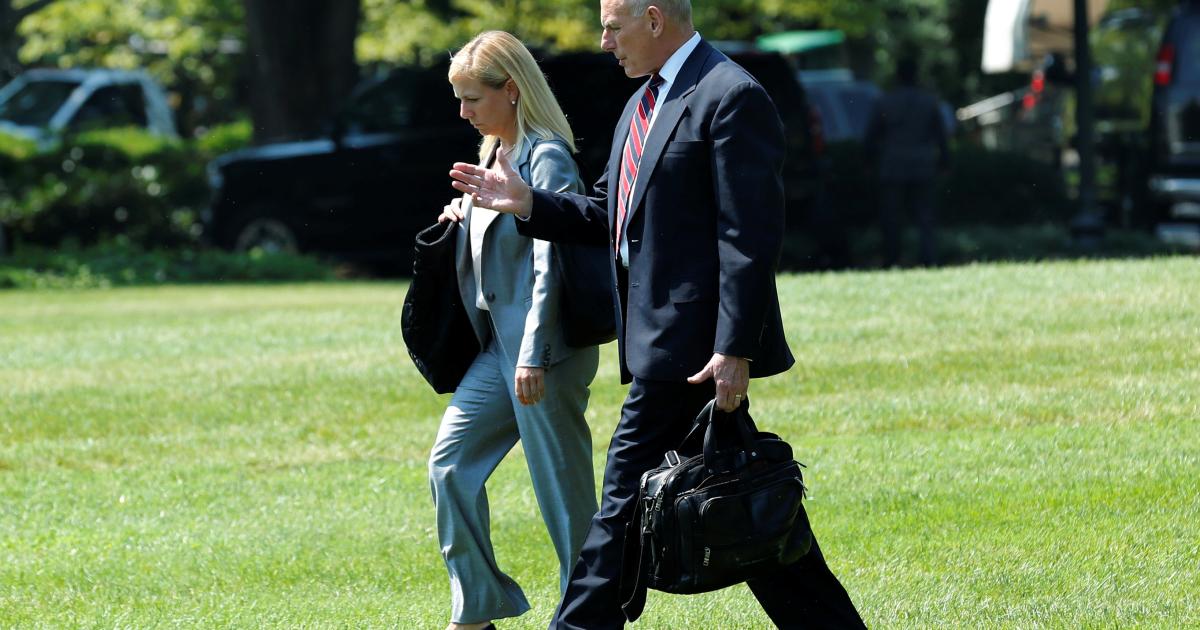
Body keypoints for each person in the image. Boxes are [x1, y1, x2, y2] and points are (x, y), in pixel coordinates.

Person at [449, 2, 866, 627]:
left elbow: (748, 239)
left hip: (691, 351)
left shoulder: (730, 95)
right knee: (749, 505)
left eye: (612, 27)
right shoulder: (642, 102)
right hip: (657, 342)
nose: (604, 41)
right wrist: (528, 202)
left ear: (653, 19)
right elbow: (606, 213)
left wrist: (734, 348)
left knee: (617, 517)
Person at [428, 30, 601, 630]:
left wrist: (534, 353)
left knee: (564, 498)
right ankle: (477, 608)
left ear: (512, 90)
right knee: (449, 465)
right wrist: (464, 215)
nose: (463, 112)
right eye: (459, 98)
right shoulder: (493, 153)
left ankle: (587, 615)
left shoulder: (546, 156)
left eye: (472, 98)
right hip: (497, 349)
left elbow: (554, 261)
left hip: (542, 353)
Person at [864, 56, 950, 268]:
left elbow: (871, 136)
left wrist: (868, 163)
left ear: (898, 76)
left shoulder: (885, 101)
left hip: (892, 164)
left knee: (891, 217)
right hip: (922, 163)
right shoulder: (929, 102)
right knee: (925, 216)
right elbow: (941, 136)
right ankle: (928, 258)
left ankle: (892, 258)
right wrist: (945, 162)